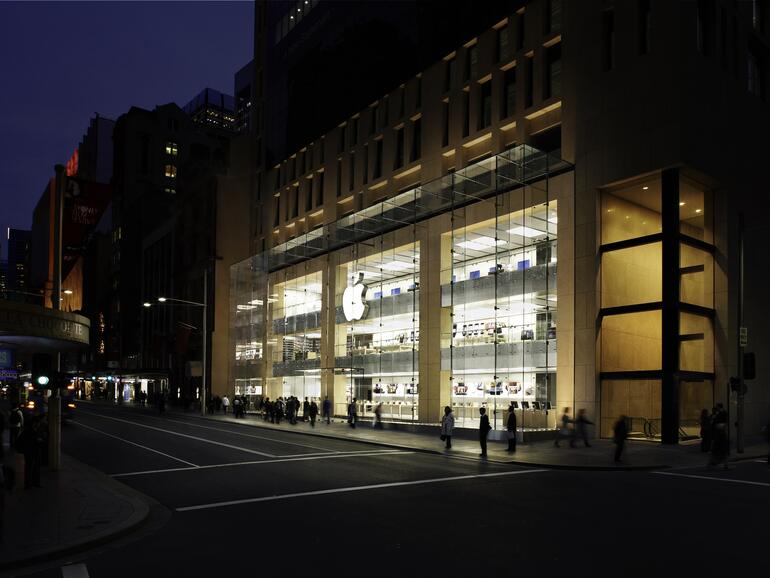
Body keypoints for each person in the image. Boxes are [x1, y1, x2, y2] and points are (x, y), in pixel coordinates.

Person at [15, 417, 43, 488]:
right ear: (34, 423)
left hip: (33, 451)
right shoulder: (30, 431)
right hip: (30, 451)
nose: (38, 424)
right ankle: (29, 484)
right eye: (38, 423)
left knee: (33, 467)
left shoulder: (30, 430)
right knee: (30, 467)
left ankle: (33, 483)